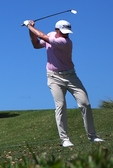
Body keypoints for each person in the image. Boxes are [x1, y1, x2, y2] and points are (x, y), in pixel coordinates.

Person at [26, 19, 104, 147]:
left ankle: (92, 136)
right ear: (57, 30)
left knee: (85, 103)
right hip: (53, 77)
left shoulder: (65, 42)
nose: (66, 34)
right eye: (63, 31)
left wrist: (29, 26)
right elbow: (36, 44)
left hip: (71, 76)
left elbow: (41, 36)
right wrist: (30, 31)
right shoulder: (50, 36)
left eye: (67, 32)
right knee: (60, 105)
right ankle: (65, 139)